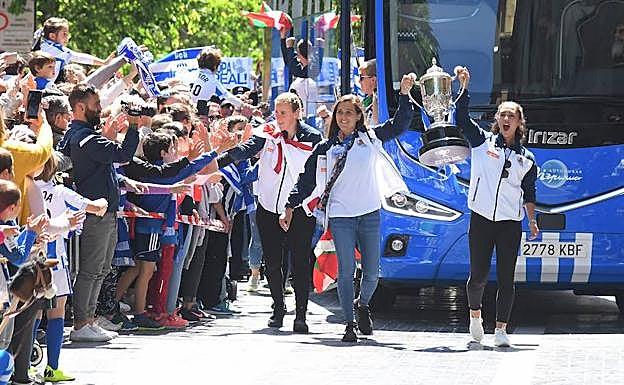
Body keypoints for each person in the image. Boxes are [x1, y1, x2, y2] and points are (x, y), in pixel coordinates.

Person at [280, 74, 416, 342]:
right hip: (341, 216)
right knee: (345, 270)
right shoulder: (325, 148)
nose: (343, 117)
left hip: (369, 213)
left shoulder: (371, 138)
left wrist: (404, 95)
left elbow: (400, 125)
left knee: (372, 271)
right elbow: (306, 181)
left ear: (358, 117)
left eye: (349, 113)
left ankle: (362, 305)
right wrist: (289, 206)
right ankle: (349, 324)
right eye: (340, 113)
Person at [217, 92, 322, 333]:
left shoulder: (313, 138)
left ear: (297, 114)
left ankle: (301, 313)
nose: (278, 117)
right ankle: (278, 307)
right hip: (268, 207)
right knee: (273, 262)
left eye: (284, 113)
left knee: (300, 262)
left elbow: (318, 174)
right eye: (276, 112)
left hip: (299, 209)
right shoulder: (266, 133)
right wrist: (215, 160)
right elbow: (243, 150)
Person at [454, 67, 539, 347]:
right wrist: (464, 88)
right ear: (496, 119)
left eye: (511, 116)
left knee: (506, 279)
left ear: (518, 123)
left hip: (509, 224)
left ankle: (501, 329)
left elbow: (529, 192)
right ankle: (475, 316)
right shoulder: (481, 143)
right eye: (502, 114)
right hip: (481, 219)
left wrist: (532, 220)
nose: (505, 119)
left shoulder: (527, 160)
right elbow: (461, 119)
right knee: (477, 276)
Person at [57, 83, 140, 342]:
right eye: (95, 105)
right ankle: (81, 323)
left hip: (105, 211)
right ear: (80, 107)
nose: (100, 109)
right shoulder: (84, 137)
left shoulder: (82, 135)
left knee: (102, 268)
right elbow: (124, 155)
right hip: (94, 212)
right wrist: (134, 126)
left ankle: (89, 320)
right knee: (92, 269)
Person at [32, 17, 114, 83]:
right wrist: (103, 62)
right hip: (42, 86)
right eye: (64, 34)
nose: (67, 37)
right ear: (52, 36)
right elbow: (78, 57)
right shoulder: (56, 49)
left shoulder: (45, 45)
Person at [359, 59, 378, 126]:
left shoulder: (380, 100)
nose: (359, 81)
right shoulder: (366, 100)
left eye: (361, 77)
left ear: (373, 80)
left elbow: (376, 122)